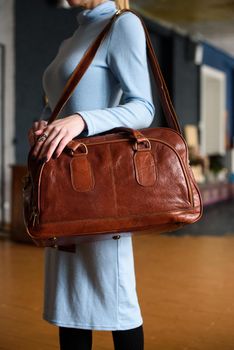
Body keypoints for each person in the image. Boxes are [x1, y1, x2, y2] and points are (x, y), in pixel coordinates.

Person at [28, 0, 155, 349]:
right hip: (63, 183)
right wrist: (45, 124)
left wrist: (82, 121)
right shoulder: (71, 39)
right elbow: (57, 104)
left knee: (116, 300)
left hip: (100, 186)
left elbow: (142, 107)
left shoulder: (122, 24)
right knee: (71, 302)